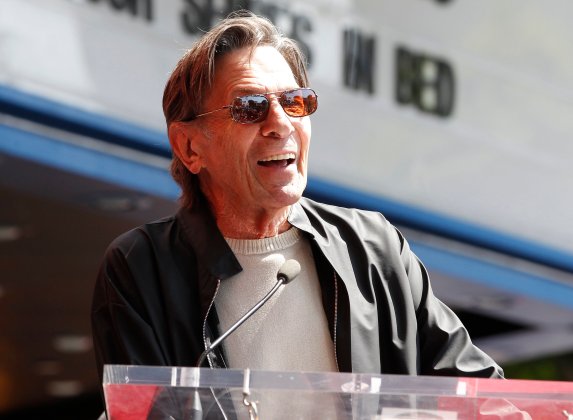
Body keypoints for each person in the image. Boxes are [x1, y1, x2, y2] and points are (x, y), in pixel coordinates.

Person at [91, 11, 503, 388]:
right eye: (250, 107)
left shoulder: (372, 246)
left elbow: (479, 388)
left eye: (295, 102)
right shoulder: (139, 266)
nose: (281, 123)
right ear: (190, 147)